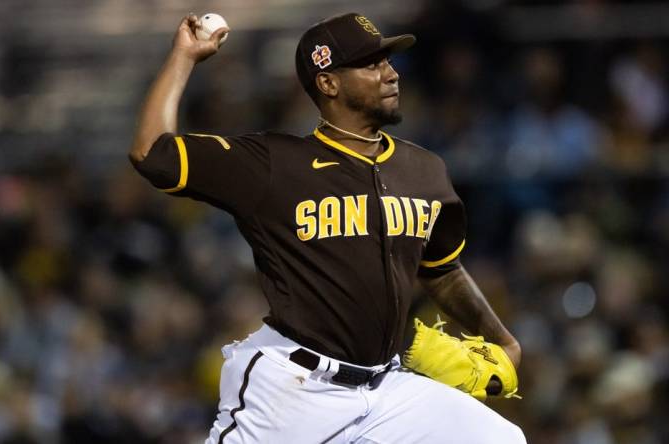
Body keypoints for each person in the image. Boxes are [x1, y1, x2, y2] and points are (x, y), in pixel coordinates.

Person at [129, 12, 526, 444]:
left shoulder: (425, 170)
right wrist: (183, 56)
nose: (391, 74)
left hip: (388, 389)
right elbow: (152, 153)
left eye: (388, 62)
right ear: (329, 83)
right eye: (372, 64)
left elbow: (442, 269)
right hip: (294, 388)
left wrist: (502, 340)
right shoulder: (273, 165)